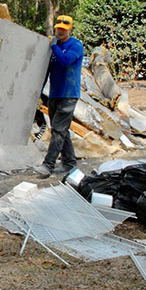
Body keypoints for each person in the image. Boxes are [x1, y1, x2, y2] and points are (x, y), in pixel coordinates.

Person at [33, 14, 84, 178]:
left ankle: (48, 165)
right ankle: (69, 163)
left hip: (69, 95)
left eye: (64, 30)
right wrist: (38, 93)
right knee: (60, 130)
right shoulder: (54, 47)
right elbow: (46, 70)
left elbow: (65, 60)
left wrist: (54, 46)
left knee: (59, 131)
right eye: (58, 29)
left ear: (70, 30)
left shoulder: (76, 45)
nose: (60, 32)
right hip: (55, 94)